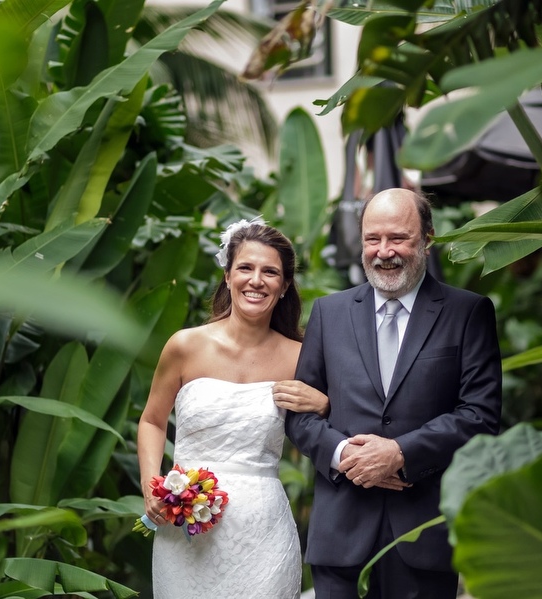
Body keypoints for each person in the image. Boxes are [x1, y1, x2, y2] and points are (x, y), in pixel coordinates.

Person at [274, 188, 502, 599]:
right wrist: (345, 455)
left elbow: (480, 415)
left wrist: (400, 453)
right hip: (340, 534)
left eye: (398, 238)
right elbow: (301, 416)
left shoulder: (468, 312)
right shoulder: (329, 312)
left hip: (424, 534)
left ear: (427, 239)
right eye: (372, 239)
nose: (384, 252)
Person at [137, 218, 329, 598]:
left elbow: (343, 423)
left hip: (263, 533)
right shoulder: (185, 346)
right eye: (245, 267)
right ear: (227, 276)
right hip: (185, 529)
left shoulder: (302, 358)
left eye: (270, 272)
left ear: (285, 285)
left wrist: (325, 404)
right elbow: (152, 421)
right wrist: (151, 487)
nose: (256, 280)